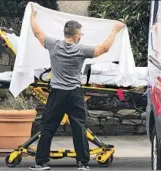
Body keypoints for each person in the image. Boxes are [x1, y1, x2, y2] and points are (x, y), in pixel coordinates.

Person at [29, 4, 125, 171]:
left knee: (47, 127)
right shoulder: (81, 50)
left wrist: (32, 16)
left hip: (57, 93)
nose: (81, 36)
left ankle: (41, 163)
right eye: (80, 33)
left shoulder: (53, 45)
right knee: (79, 128)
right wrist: (115, 30)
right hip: (74, 94)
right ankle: (82, 163)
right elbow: (104, 48)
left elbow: (37, 33)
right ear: (74, 36)